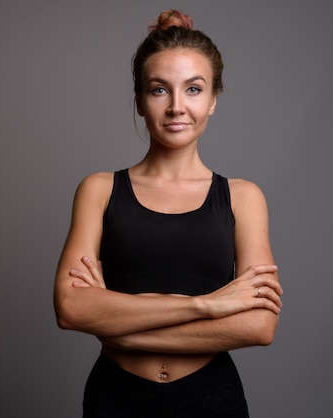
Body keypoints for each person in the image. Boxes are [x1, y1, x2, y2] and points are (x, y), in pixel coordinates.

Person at [54, 9, 283, 418]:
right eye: (160, 90)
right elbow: (72, 309)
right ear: (140, 101)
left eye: (193, 89)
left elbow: (258, 326)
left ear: (213, 100)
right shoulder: (100, 190)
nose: (177, 106)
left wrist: (118, 328)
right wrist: (208, 306)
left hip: (212, 398)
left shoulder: (243, 197)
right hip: (116, 398)